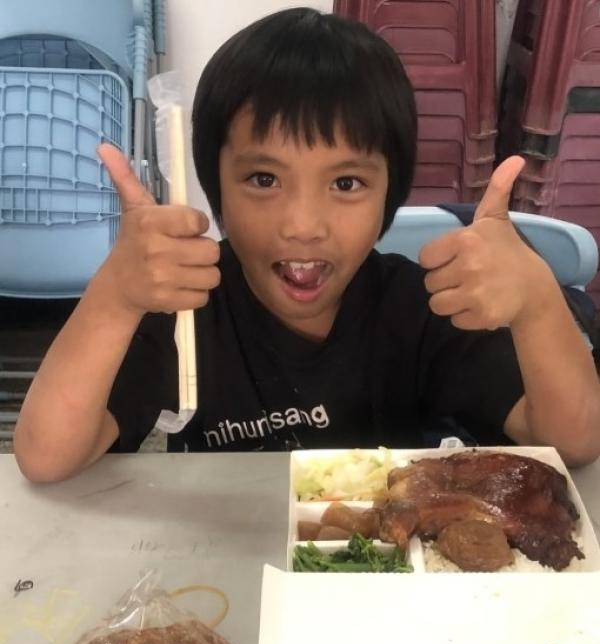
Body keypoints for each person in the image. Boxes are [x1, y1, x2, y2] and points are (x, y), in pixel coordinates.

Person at [14, 7, 600, 482]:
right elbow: (46, 458)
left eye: (346, 184)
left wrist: (536, 301)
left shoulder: (422, 309)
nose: (302, 225)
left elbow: (573, 442)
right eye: (263, 178)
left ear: (389, 194)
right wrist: (115, 297)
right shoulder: (184, 309)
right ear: (216, 189)